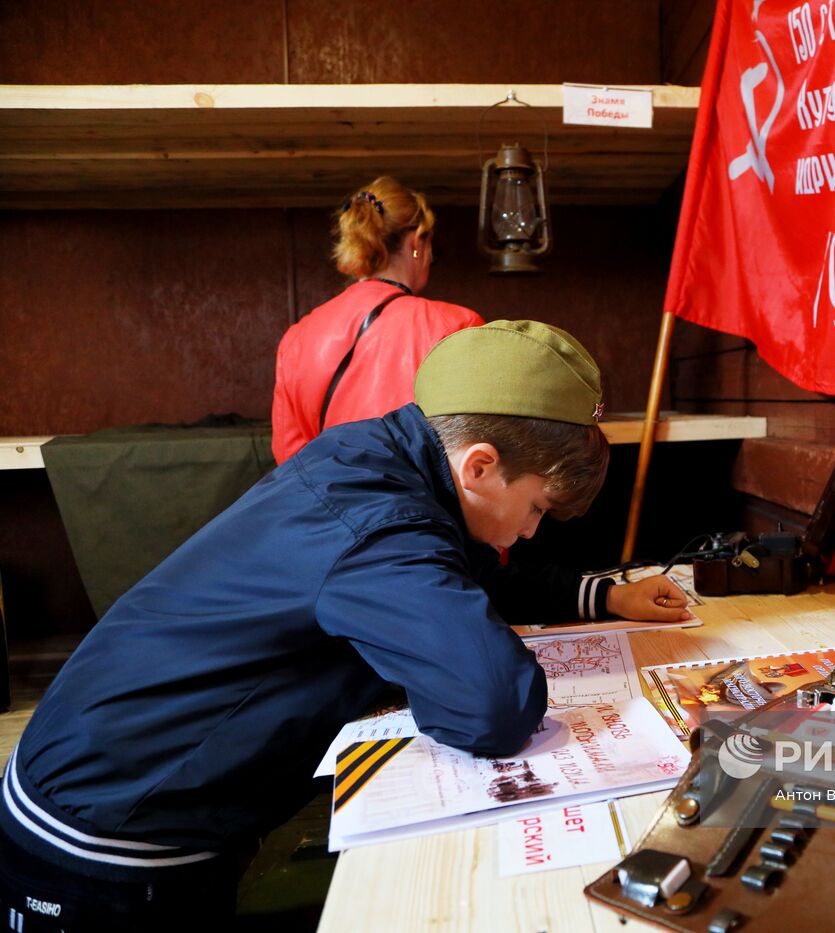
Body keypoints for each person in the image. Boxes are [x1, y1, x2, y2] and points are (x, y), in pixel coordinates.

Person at [0, 321, 691, 931]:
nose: (532, 531)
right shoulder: (380, 525)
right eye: (537, 507)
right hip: (106, 835)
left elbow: (459, 573)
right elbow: (493, 703)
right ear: (479, 462)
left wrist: (600, 595)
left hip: (114, 781)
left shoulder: (383, 457)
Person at [272, 175, 484, 463]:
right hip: (423, 505)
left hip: (334, 504)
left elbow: (291, 459)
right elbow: (477, 447)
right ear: (417, 242)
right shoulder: (457, 325)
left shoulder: (297, 338)